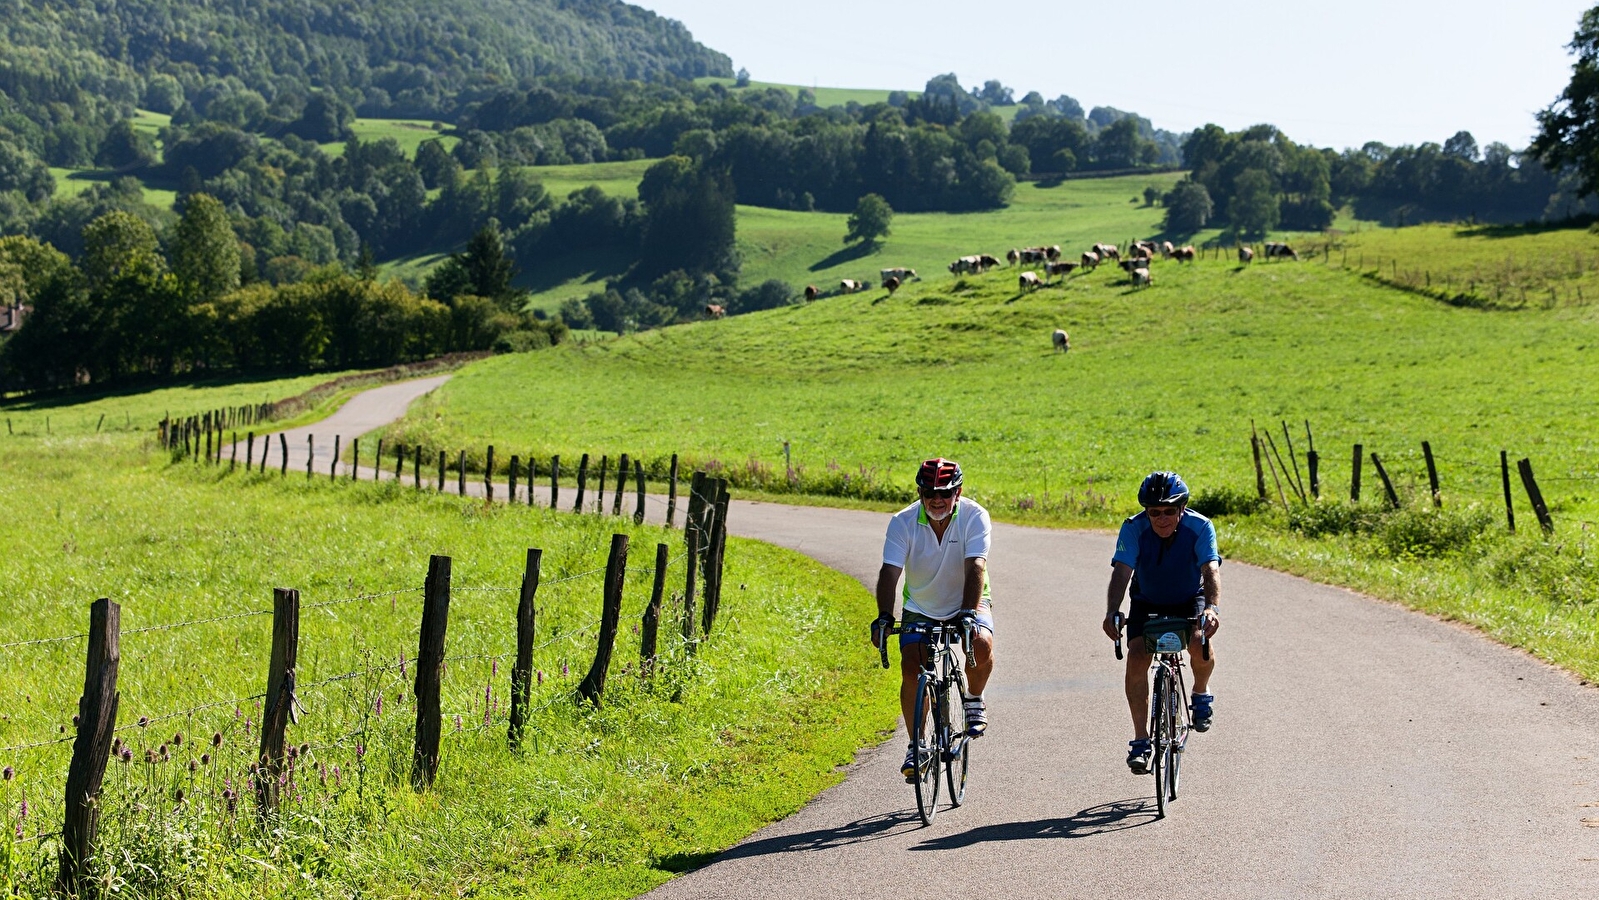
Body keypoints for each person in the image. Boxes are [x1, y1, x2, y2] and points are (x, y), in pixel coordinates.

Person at [871, 458, 995, 780]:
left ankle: (973, 698)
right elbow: (889, 572)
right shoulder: (903, 522)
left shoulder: (974, 516)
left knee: (980, 645)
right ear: (920, 492)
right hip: (921, 605)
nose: (937, 500)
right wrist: (884, 616)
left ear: (958, 492)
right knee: (912, 666)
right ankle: (917, 744)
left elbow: (976, 566)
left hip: (968, 598)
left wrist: (968, 613)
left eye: (945, 492)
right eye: (929, 493)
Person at [1102, 471, 1220, 774]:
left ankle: (1201, 693)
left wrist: (1212, 608)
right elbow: (1121, 572)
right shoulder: (1133, 528)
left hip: (1188, 598)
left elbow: (1210, 569)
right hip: (1147, 600)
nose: (1162, 518)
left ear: (1182, 508)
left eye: (1169, 511)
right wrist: (1112, 610)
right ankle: (1141, 740)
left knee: (1199, 643)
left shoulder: (1200, 526)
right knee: (1138, 655)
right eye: (1154, 512)